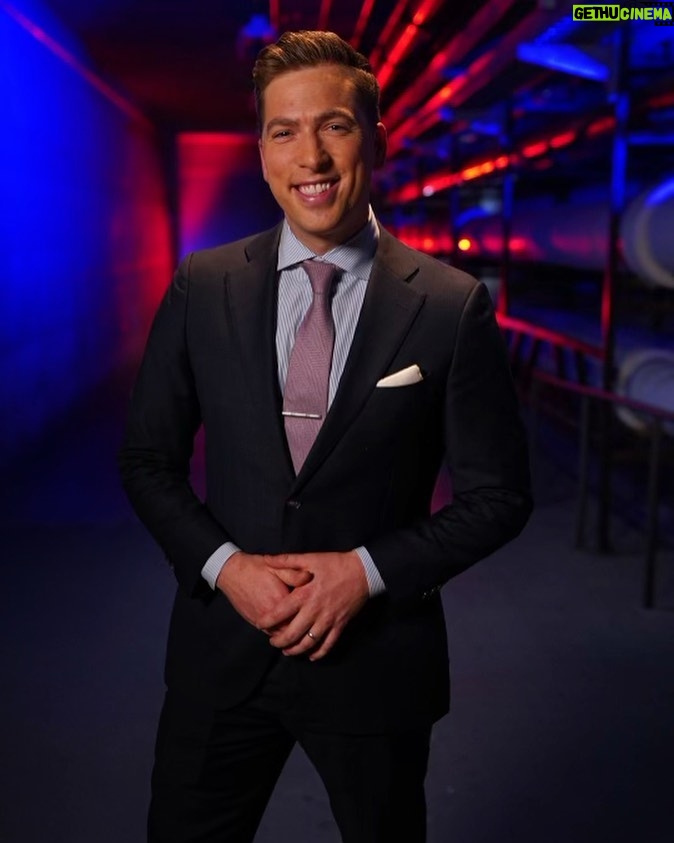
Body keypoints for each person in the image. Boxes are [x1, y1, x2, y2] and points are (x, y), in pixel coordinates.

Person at [119, 29, 532, 843]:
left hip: (374, 665)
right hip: (222, 656)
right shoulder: (204, 286)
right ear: (264, 148)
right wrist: (226, 566)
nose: (310, 154)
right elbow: (148, 460)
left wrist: (367, 573)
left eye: (334, 125)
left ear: (374, 140)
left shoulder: (449, 305)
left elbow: (500, 496)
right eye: (284, 129)